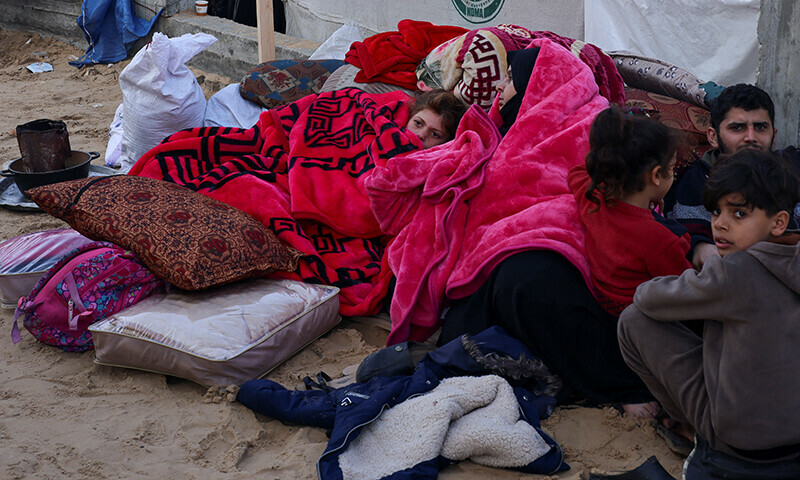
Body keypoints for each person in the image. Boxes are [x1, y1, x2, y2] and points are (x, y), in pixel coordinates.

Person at [436, 47, 659, 419]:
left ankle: (618, 382)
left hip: (577, 248)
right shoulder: (507, 126)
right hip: (511, 242)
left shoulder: (591, 127)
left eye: (511, 80)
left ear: (538, 84)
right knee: (479, 308)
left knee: (528, 282)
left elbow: (607, 197)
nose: (502, 89)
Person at [617, 150, 800, 477]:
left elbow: (646, 299)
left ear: (778, 221)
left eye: (739, 214)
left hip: (738, 440)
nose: (720, 224)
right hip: (792, 437)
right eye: (717, 211)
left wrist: (709, 271)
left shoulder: (734, 271)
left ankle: (687, 426)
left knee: (632, 320)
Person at [570, 106, 691, 316]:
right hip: (647, 319)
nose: (674, 175)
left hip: (604, 308)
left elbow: (577, 173)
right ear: (656, 176)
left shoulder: (594, 201)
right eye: (672, 169)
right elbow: (686, 295)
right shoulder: (662, 240)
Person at [665, 83, 777, 270]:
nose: (751, 137)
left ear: (774, 135)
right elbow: (693, 240)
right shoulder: (698, 181)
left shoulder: (787, 173)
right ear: (713, 137)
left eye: (760, 127)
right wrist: (702, 249)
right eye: (737, 128)